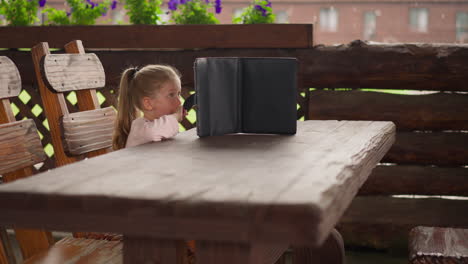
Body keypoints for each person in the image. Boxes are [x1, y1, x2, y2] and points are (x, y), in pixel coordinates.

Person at [113, 65, 186, 150]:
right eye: (171, 95)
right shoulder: (140, 128)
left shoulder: (163, 127)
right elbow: (153, 132)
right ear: (148, 104)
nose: (179, 102)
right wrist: (175, 117)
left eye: (179, 94)